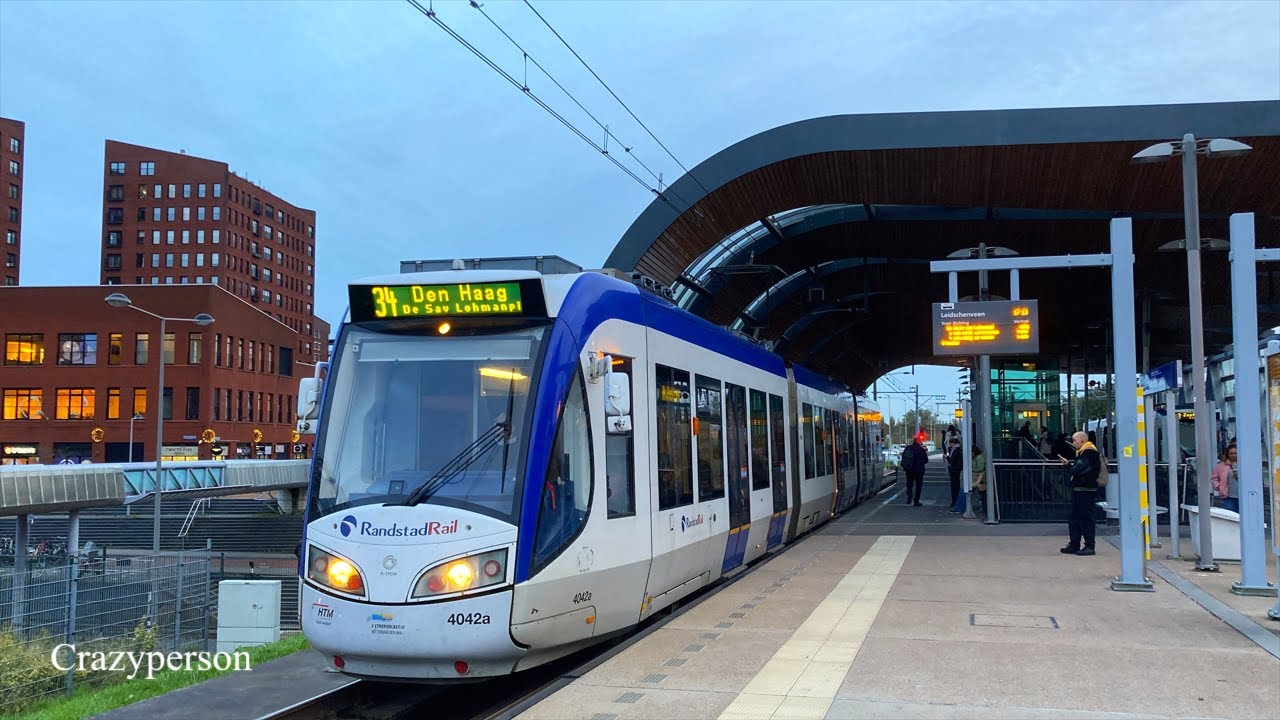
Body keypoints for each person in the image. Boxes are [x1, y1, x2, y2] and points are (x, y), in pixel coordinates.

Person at [1059, 431, 1101, 556]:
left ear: (1082, 441)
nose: (1073, 443)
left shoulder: (1089, 453)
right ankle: (1074, 543)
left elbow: (1076, 469)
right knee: (1075, 517)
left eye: (1074, 440)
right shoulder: (1084, 452)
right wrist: (1069, 465)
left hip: (1085, 490)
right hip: (1081, 489)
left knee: (1085, 518)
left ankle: (1089, 545)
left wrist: (1069, 466)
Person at [1210, 443, 1240, 513]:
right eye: (1231, 453)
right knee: (1229, 515)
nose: (1233, 455)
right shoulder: (1221, 465)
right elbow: (1214, 478)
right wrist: (1219, 487)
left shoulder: (1245, 464)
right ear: (1227, 454)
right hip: (1228, 497)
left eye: (1235, 453)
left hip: (1243, 497)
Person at [900, 434, 928, 506]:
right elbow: (926, 460)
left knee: (909, 484)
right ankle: (916, 501)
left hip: (909, 469)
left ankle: (909, 498)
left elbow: (903, 457)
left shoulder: (908, 448)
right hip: (919, 471)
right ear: (918, 441)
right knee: (918, 486)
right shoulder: (922, 450)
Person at [945, 437, 963, 513]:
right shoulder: (957, 449)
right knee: (956, 485)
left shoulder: (955, 450)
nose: (949, 445)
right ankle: (955, 501)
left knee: (954, 486)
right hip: (956, 469)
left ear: (953, 443)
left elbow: (952, 460)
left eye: (950, 443)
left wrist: (947, 457)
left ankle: (954, 501)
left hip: (954, 469)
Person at [970, 444, 987, 514]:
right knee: (981, 492)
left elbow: (980, 468)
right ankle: (982, 507)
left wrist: (971, 469)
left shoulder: (979, 458)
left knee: (981, 492)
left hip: (980, 478)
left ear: (974, 452)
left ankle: (983, 507)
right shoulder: (977, 457)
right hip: (979, 478)